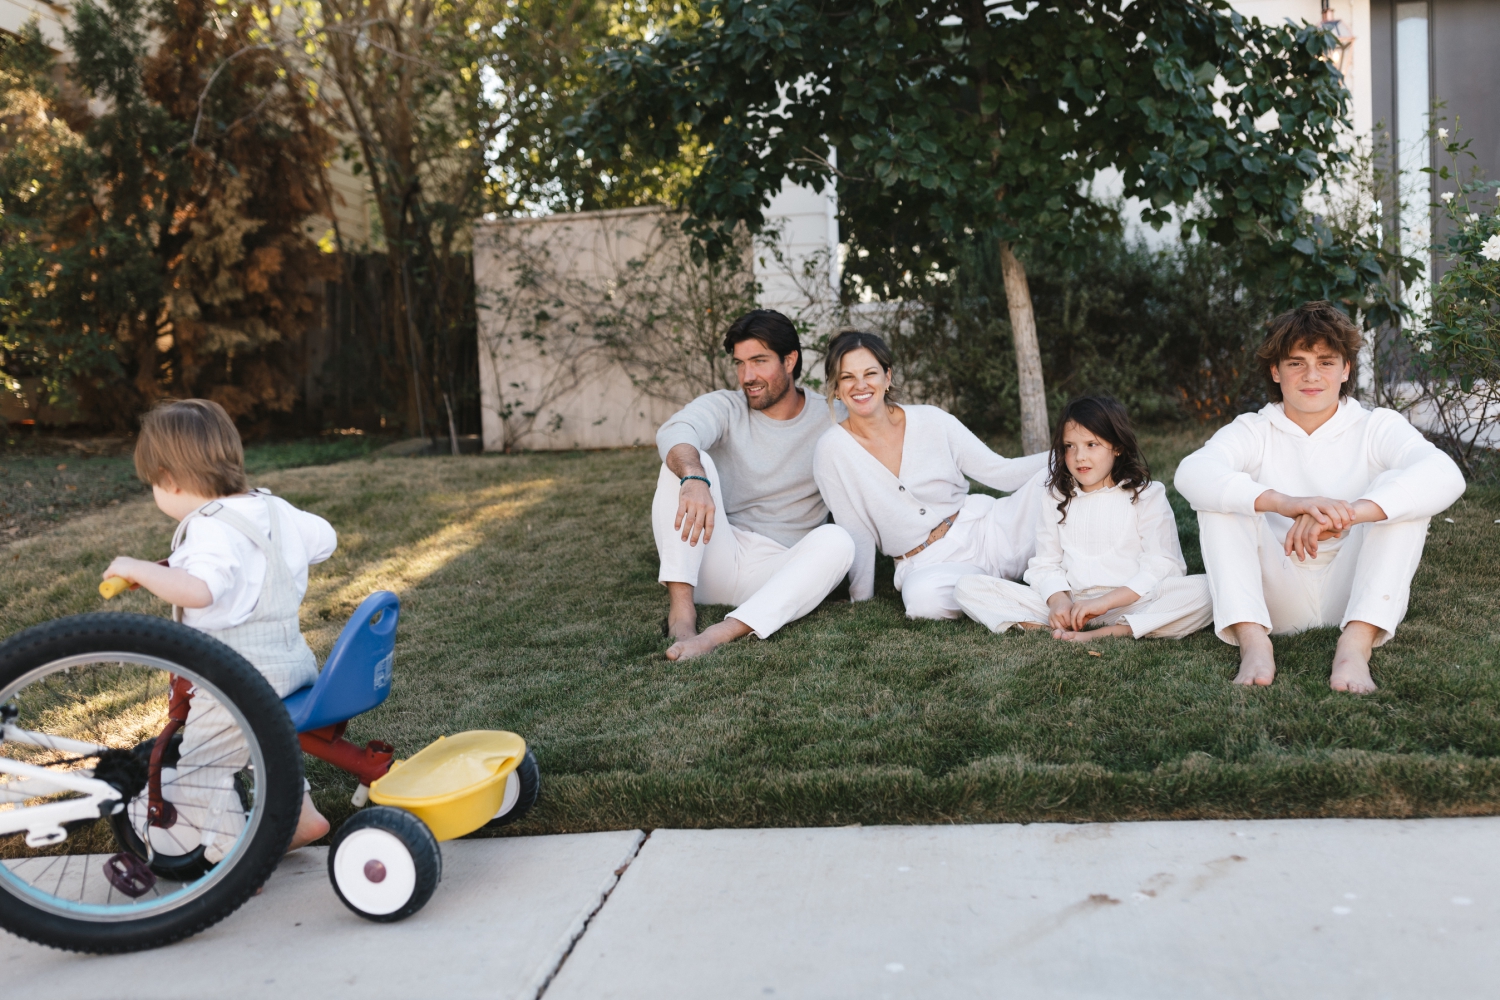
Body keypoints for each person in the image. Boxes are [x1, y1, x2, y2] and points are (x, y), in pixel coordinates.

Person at [1174, 301, 1466, 693]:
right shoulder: (1254, 429)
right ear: (1276, 371)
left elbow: (1446, 475)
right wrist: (1286, 503)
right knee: (1223, 500)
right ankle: (1253, 641)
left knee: (1400, 494)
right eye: (1296, 363)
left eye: (1326, 362)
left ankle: (1355, 645)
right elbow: (1191, 473)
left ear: (1345, 369)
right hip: (1276, 591)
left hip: (1355, 589)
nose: (1311, 376)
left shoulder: (1375, 425)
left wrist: (1346, 514)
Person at [103, 399, 336, 854]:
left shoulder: (208, 528)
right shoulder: (273, 508)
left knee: (201, 771)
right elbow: (324, 539)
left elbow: (201, 590)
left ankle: (236, 861)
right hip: (291, 665)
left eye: (153, 483)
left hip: (236, 681)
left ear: (168, 478)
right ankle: (300, 819)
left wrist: (141, 569)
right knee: (264, 747)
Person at [653, 309, 856, 660]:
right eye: (740, 363)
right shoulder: (726, 407)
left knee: (838, 541)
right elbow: (675, 430)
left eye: (759, 361)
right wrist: (694, 477)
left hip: (779, 571)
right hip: (715, 555)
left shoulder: (835, 418)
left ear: (789, 360)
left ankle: (716, 635)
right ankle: (682, 615)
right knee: (685, 460)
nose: (748, 376)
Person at [812, 330, 1049, 619]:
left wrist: (1066, 455)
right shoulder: (831, 451)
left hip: (988, 530)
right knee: (922, 602)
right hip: (926, 565)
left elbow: (1001, 472)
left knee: (1054, 481)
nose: (860, 385)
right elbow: (855, 531)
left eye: (870, 373)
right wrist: (861, 599)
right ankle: (1024, 592)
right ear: (836, 388)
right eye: (847, 377)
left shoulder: (932, 419)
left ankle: (1031, 583)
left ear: (887, 377)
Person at [954, 395, 1213, 641]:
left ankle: (1106, 632)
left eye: (1092, 444)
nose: (1080, 457)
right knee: (967, 586)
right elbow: (1045, 563)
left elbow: (1163, 565)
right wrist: (1058, 601)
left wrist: (1104, 603)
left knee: (1208, 590)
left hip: (1131, 603)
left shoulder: (1146, 494)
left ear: (1118, 447)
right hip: (1073, 602)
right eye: (1070, 446)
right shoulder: (1055, 497)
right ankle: (1060, 623)